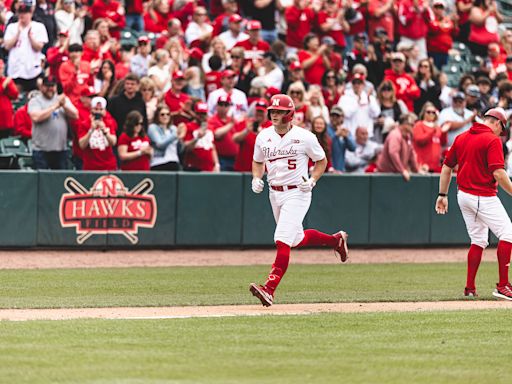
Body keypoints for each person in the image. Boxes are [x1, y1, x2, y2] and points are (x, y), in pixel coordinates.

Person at [249, 93, 349, 307]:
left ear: (290, 114)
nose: (275, 114)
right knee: (295, 239)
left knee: (282, 238)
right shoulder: (263, 136)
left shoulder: (305, 137)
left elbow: (321, 161)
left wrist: (312, 180)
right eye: (273, 111)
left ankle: (269, 289)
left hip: (298, 191)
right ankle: (335, 240)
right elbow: (257, 161)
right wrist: (256, 178)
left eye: (279, 111)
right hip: (275, 192)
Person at [436, 107, 512, 300]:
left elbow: (446, 167)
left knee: (478, 240)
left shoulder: (461, 137)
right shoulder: (492, 139)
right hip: (482, 195)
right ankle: (503, 286)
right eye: (501, 129)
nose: (500, 134)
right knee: (508, 234)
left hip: (463, 195)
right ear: (495, 122)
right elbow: (498, 173)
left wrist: (442, 194)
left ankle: (470, 288)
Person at [28, 76, 78, 169]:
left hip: (60, 149)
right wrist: (55, 106)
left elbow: (75, 115)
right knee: (42, 181)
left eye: (52, 86)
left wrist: (64, 106)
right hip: (41, 150)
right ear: (42, 87)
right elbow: (36, 117)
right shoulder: (35, 101)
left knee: (60, 180)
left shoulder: (62, 99)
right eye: (47, 86)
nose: (50, 89)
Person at [3, 1, 48, 92]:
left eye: (25, 12)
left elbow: (39, 47)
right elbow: (7, 46)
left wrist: (30, 37)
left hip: (32, 69)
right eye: (20, 12)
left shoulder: (38, 27)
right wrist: (17, 34)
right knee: (16, 96)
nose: (22, 15)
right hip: (16, 70)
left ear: (30, 13)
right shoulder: (12, 27)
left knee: (33, 95)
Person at [375, 113, 420, 181]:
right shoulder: (395, 135)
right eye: (412, 124)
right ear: (405, 124)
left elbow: (412, 155)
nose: (414, 126)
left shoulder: (407, 136)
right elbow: (393, 153)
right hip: (385, 176)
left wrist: (417, 170)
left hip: (396, 175)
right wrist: (402, 170)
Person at [77, 96, 117, 170]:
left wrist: (105, 131)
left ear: (104, 111)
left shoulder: (109, 122)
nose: (98, 112)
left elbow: (113, 142)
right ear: (91, 109)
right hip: (91, 166)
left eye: (101, 109)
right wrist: (91, 130)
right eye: (96, 109)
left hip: (108, 166)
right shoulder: (84, 124)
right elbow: (82, 145)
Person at [181, 102, 220, 172]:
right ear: (195, 114)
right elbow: (186, 147)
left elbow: (212, 147)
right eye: (199, 114)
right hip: (193, 167)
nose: (202, 116)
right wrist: (197, 138)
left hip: (209, 167)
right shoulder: (188, 126)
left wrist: (216, 164)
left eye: (204, 114)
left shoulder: (210, 128)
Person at [412, 102, 448, 173]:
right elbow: (419, 140)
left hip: (435, 165)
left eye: (433, 112)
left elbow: (443, 142)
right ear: (423, 113)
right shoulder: (419, 125)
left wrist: (444, 132)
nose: (431, 114)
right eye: (428, 112)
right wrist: (432, 131)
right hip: (423, 165)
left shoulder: (437, 127)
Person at [148, 104, 183, 171]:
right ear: (157, 116)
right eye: (162, 114)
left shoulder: (173, 128)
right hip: (159, 162)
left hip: (174, 161)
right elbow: (160, 144)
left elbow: (180, 149)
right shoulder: (153, 127)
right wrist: (175, 135)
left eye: (167, 114)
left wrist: (180, 139)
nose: (165, 116)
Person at [327, 105, 356, 172]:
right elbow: (325, 146)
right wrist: (335, 135)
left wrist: (346, 137)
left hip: (340, 169)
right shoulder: (325, 129)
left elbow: (353, 148)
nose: (334, 118)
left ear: (342, 118)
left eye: (337, 116)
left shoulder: (344, 130)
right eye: (332, 115)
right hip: (327, 170)